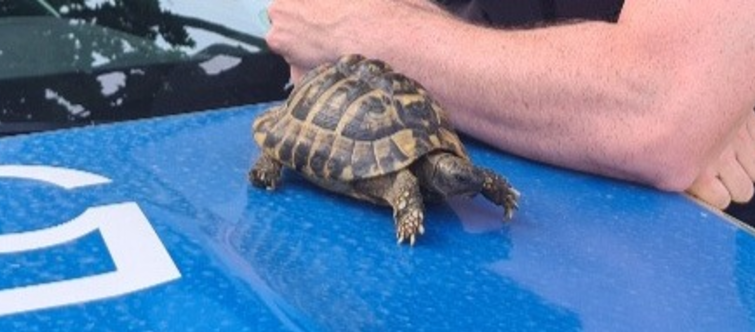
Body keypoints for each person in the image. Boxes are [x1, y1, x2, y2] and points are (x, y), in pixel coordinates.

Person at [264, 0, 755, 214]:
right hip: (420, 265)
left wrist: (366, 36)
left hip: (655, 289)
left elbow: (657, 112)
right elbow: (308, 21)